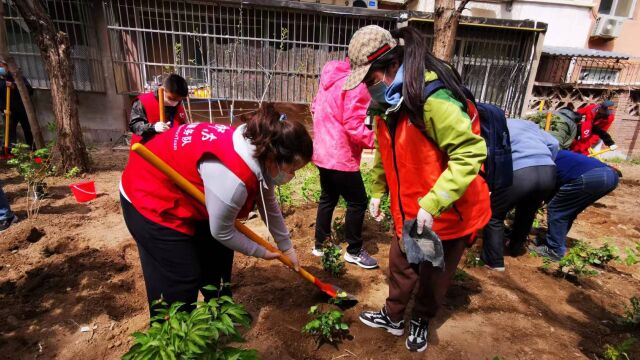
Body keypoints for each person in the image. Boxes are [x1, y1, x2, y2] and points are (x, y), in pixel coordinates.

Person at [343, 26, 491, 352]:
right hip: (409, 206)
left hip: (447, 208)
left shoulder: (433, 100)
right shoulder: (387, 106)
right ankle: (394, 316)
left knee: (434, 272)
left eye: (369, 80)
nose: (368, 89)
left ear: (390, 66)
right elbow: (385, 152)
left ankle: (421, 319)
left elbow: (470, 153)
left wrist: (433, 202)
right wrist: (379, 191)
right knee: (401, 263)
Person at [120, 104, 312, 315]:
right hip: (150, 195)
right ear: (272, 158)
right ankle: (174, 336)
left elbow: (268, 203)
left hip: (190, 190)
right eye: (291, 169)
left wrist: (287, 248)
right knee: (181, 276)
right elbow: (222, 232)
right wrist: (261, 252)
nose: (291, 176)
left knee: (218, 257)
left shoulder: (257, 147)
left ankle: (220, 313)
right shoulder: (232, 179)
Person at [311, 58, 377, 268]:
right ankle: (354, 250)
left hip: (322, 150)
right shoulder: (356, 83)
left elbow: (314, 107)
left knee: (328, 197)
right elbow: (353, 124)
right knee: (358, 201)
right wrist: (379, 141)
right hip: (341, 154)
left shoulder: (329, 76)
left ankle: (320, 245)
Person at [481, 118, 558, 271]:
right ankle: (515, 247)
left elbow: (490, 153)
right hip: (549, 171)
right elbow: (554, 143)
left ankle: (494, 261)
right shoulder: (529, 125)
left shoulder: (495, 125)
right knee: (527, 212)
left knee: (494, 214)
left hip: (521, 171)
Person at [529, 150, 619, 260]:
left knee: (557, 210)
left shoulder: (539, 162)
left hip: (591, 177)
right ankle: (554, 242)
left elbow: (543, 189)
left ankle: (554, 250)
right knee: (567, 211)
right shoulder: (553, 154)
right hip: (611, 175)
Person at [129, 74, 189, 144]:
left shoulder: (178, 103)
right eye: (171, 98)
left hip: (168, 147)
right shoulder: (143, 101)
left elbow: (180, 123)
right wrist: (154, 127)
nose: (174, 102)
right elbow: (134, 125)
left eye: (178, 100)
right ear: (163, 90)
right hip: (146, 148)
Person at [0, 61, 35, 151]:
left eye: (1, 66)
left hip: (23, 109)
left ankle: (33, 150)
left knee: (28, 130)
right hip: (9, 111)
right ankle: (10, 152)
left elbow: (30, 90)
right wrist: (3, 109)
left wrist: (14, 86)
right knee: (9, 131)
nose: (1, 68)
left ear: (7, 67)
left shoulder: (17, 77)